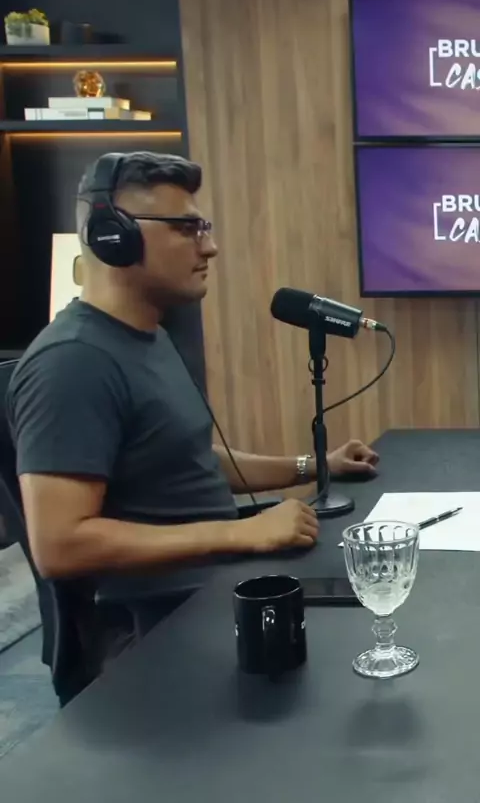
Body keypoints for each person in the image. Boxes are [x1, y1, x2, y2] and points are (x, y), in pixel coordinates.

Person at [7, 152, 378, 587]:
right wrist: (239, 533)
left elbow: (185, 458)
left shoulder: (147, 337)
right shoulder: (73, 363)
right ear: (114, 236)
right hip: (166, 615)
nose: (209, 247)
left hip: (217, 579)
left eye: (203, 227)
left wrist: (317, 465)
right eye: (186, 229)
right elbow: (59, 546)